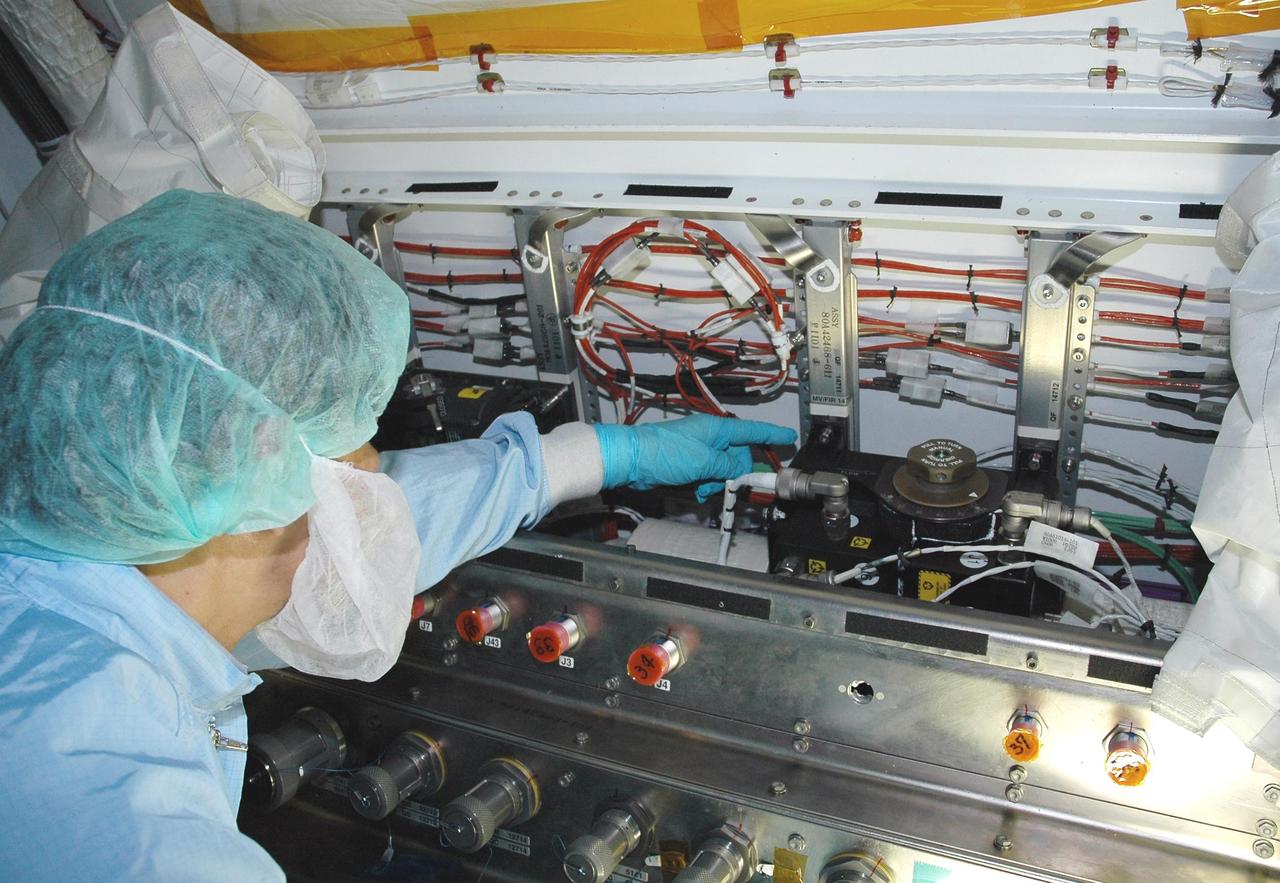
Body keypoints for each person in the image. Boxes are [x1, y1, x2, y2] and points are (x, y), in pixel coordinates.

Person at [0, 190, 795, 879]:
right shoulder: (111, 816)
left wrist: (609, 452)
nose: (373, 497)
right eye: (361, 466)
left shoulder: (81, 573)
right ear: (258, 489)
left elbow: (385, 531)